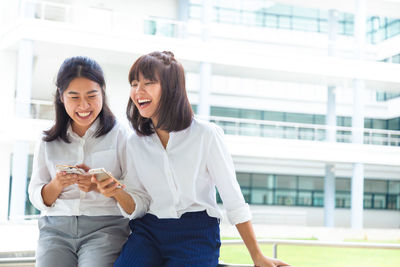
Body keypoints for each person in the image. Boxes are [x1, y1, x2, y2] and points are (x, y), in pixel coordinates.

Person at [93, 51, 291, 267]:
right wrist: (117, 193)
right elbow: (139, 203)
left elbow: (233, 198)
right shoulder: (133, 141)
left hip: (196, 232)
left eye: (148, 83)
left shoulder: (207, 135)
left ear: (170, 88)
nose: (138, 91)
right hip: (148, 231)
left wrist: (257, 256)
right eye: (134, 83)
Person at [28, 56, 130, 267]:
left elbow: (134, 196)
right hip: (56, 229)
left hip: (105, 228)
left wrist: (100, 186)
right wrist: (57, 184)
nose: (84, 105)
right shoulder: (48, 140)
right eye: (74, 97)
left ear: (103, 92)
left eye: (92, 95)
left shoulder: (122, 136)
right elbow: (36, 196)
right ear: (61, 97)